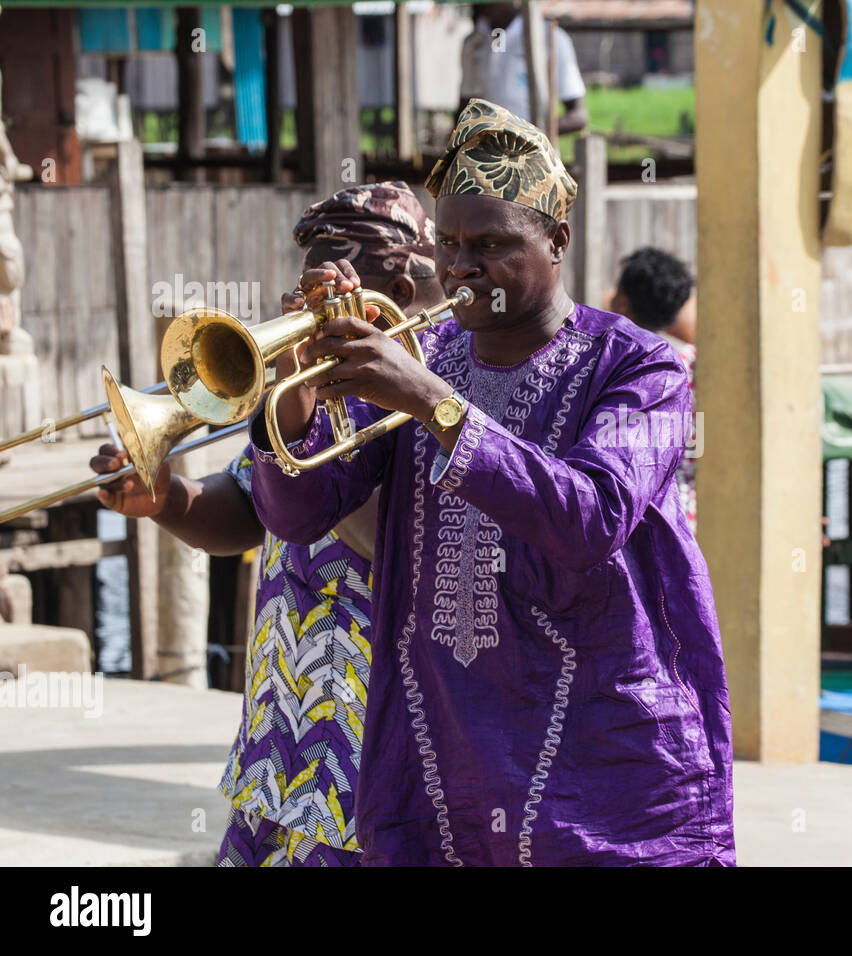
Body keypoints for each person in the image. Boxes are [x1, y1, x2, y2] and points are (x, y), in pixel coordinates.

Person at [246, 99, 734, 866]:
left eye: (493, 244)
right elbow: (301, 513)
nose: (462, 267)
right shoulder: (427, 353)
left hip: (608, 761)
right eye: (448, 244)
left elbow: (591, 517)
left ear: (557, 241)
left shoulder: (644, 366)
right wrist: (296, 388)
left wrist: (433, 405)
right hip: (441, 763)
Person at [91, 182, 445, 867]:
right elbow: (248, 511)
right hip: (280, 728)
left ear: (398, 286)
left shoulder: (436, 380)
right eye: (310, 288)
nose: (314, 307)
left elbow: (391, 540)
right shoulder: (302, 388)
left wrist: (309, 421)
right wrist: (164, 499)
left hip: (365, 737)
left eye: (338, 287)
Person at [610, 247, 698, 532]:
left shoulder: (622, 363)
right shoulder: (693, 362)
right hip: (682, 512)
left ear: (623, 301)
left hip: (630, 511)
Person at [459, 1, 588, 134]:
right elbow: (464, 109)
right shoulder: (474, 42)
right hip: (485, 150)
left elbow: (578, 116)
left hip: (533, 151)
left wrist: (528, 135)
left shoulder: (552, 38)